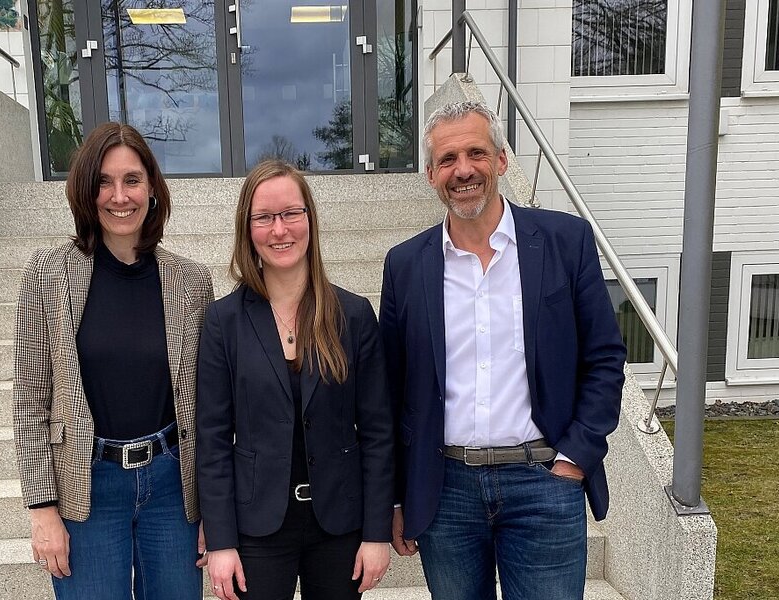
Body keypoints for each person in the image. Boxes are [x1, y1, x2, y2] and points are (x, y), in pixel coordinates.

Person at [379, 101, 627, 600]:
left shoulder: (565, 241)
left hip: (544, 481)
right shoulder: (405, 265)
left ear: (501, 160)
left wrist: (576, 457)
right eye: (447, 159)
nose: (463, 170)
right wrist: (396, 495)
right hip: (446, 491)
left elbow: (604, 357)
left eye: (476, 153)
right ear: (430, 174)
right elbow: (391, 389)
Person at [12, 122, 213, 599]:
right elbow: (29, 399)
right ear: (85, 191)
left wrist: (215, 511)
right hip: (88, 486)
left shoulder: (192, 282)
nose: (119, 196)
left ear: (152, 189)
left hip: (172, 485)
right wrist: (42, 510)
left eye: (132, 180)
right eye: (103, 181)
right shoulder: (48, 274)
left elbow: (208, 406)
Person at [195, 160, 394, 600]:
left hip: (339, 524)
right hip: (258, 527)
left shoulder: (354, 315)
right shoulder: (223, 321)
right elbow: (211, 438)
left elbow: (379, 433)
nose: (279, 229)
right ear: (248, 228)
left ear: (310, 219)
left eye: (290, 213)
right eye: (264, 217)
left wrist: (377, 533)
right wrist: (223, 541)